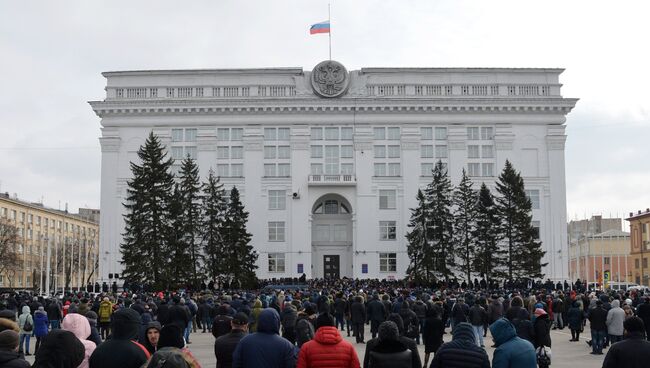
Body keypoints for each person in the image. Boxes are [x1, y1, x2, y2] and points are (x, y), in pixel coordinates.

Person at [232, 308, 298, 368]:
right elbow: (291, 364)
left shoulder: (245, 341)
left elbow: (236, 362)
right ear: (277, 322)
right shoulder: (286, 345)